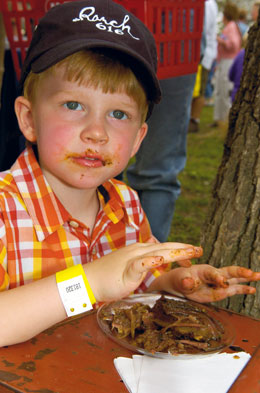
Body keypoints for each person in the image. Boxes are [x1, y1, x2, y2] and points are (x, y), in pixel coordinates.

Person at [1, 0, 260, 348]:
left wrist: (175, 282)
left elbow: (139, 283)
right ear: (29, 119)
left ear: (139, 138)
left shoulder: (126, 205)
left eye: (119, 114)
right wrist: (87, 282)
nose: (97, 132)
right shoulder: (4, 211)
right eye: (73, 105)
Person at [188, 0, 218, 133]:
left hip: (203, 54)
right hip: (200, 52)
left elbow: (203, 29)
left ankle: (194, 120)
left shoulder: (208, 4)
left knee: (199, 90)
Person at [211, 2, 242, 127]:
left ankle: (225, 119)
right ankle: (219, 118)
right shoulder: (231, 26)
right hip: (224, 61)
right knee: (220, 90)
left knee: (224, 90)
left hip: (228, 61)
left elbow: (233, 44)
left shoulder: (231, 27)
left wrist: (220, 41)